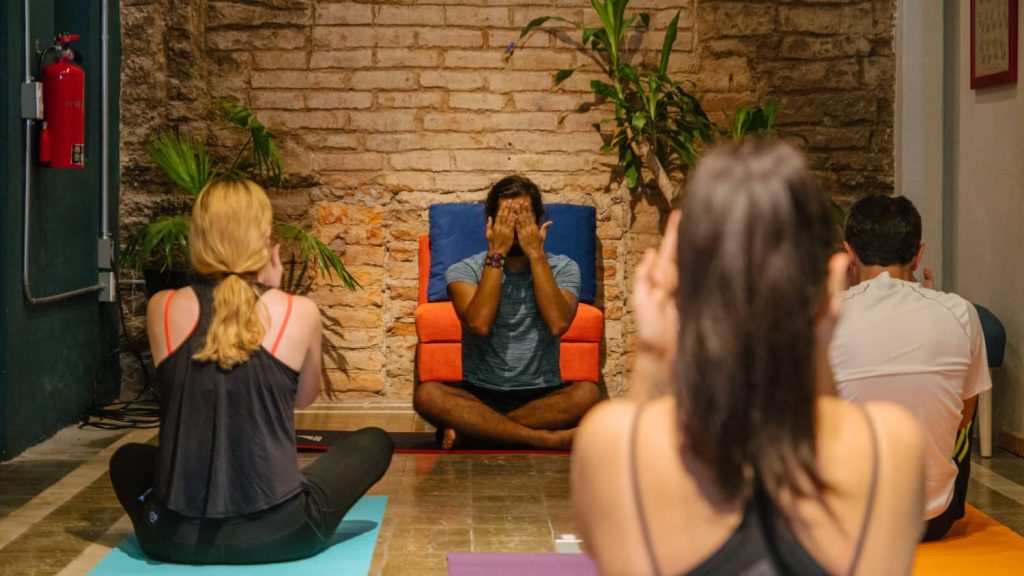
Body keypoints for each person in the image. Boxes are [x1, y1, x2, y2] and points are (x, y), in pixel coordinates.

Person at [573, 141, 926, 575]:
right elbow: (827, 419)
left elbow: (611, 541)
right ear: (833, 280)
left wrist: (652, 354)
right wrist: (822, 334)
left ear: (678, 286)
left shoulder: (610, 443)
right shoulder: (890, 445)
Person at [108, 179, 394, 564]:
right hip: (281, 534)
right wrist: (270, 291)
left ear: (200, 236)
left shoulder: (162, 306)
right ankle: (284, 496)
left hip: (171, 536)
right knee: (374, 441)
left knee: (127, 459)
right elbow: (304, 398)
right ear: (264, 237)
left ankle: (177, 513)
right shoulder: (299, 311)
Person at [830, 194, 992, 542]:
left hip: (844, 522)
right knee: (957, 403)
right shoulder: (961, 312)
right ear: (918, 254)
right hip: (932, 521)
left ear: (849, 254)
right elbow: (963, 418)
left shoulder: (821, 315)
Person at [414, 176, 600, 450]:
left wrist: (536, 254)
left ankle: (478, 429)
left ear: (538, 221)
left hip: (542, 393)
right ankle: (544, 438)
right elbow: (479, 323)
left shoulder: (564, 267)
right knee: (428, 396)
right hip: (480, 392)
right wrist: (497, 252)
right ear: (490, 222)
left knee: (588, 395)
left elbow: (558, 323)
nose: (515, 226)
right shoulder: (464, 270)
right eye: (506, 217)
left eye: (523, 216)